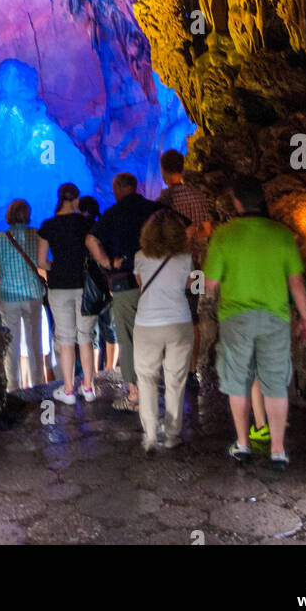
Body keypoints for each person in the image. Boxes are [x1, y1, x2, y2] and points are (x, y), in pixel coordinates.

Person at [203, 175, 306, 469]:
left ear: (237, 202)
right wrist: (305, 318)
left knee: (238, 382)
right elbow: (296, 282)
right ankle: (278, 451)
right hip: (275, 318)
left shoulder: (224, 234)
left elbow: (210, 283)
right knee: (275, 384)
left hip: (235, 318)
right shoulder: (281, 234)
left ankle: (243, 444)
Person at [133, 210, 196, 452]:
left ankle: (150, 435)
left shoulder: (140, 257)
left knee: (147, 379)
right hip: (179, 323)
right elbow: (193, 285)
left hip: (147, 324)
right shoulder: (185, 259)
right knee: (175, 380)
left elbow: (141, 285)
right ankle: (171, 434)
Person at [92, 173, 156, 411]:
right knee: (152, 335)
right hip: (153, 282)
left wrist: (107, 262)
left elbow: (91, 240)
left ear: (118, 188)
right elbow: (188, 228)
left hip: (124, 282)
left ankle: (135, 394)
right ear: (135, 186)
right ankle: (153, 389)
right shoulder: (153, 209)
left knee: (127, 338)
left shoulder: (113, 213)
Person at [38, 183, 103, 404]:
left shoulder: (48, 225)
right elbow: (95, 251)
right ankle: (88, 387)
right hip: (84, 285)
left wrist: (55, 268)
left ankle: (68, 391)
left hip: (59, 286)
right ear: (76, 200)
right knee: (85, 337)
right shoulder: (86, 223)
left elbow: (41, 261)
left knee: (65, 339)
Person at [156, 149, 214, 387]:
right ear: (182, 168)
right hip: (196, 265)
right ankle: (192, 370)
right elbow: (207, 230)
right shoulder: (197, 196)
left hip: (170, 266)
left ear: (163, 171)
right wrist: (192, 237)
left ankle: (173, 368)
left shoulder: (163, 200)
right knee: (193, 318)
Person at [0, 199, 45, 391]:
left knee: (11, 343)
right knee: (34, 342)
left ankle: (13, 387)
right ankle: (38, 386)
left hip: (8, 296)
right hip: (32, 295)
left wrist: (6, 267)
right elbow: (42, 263)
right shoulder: (37, 234)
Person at [78, 196, 118, 372]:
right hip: (107, 282)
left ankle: (93, 372)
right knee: (111, 329)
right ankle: (110, 369)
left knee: (91, 331)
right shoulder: (103, 228)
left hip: (86, 284)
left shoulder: (78, 230)